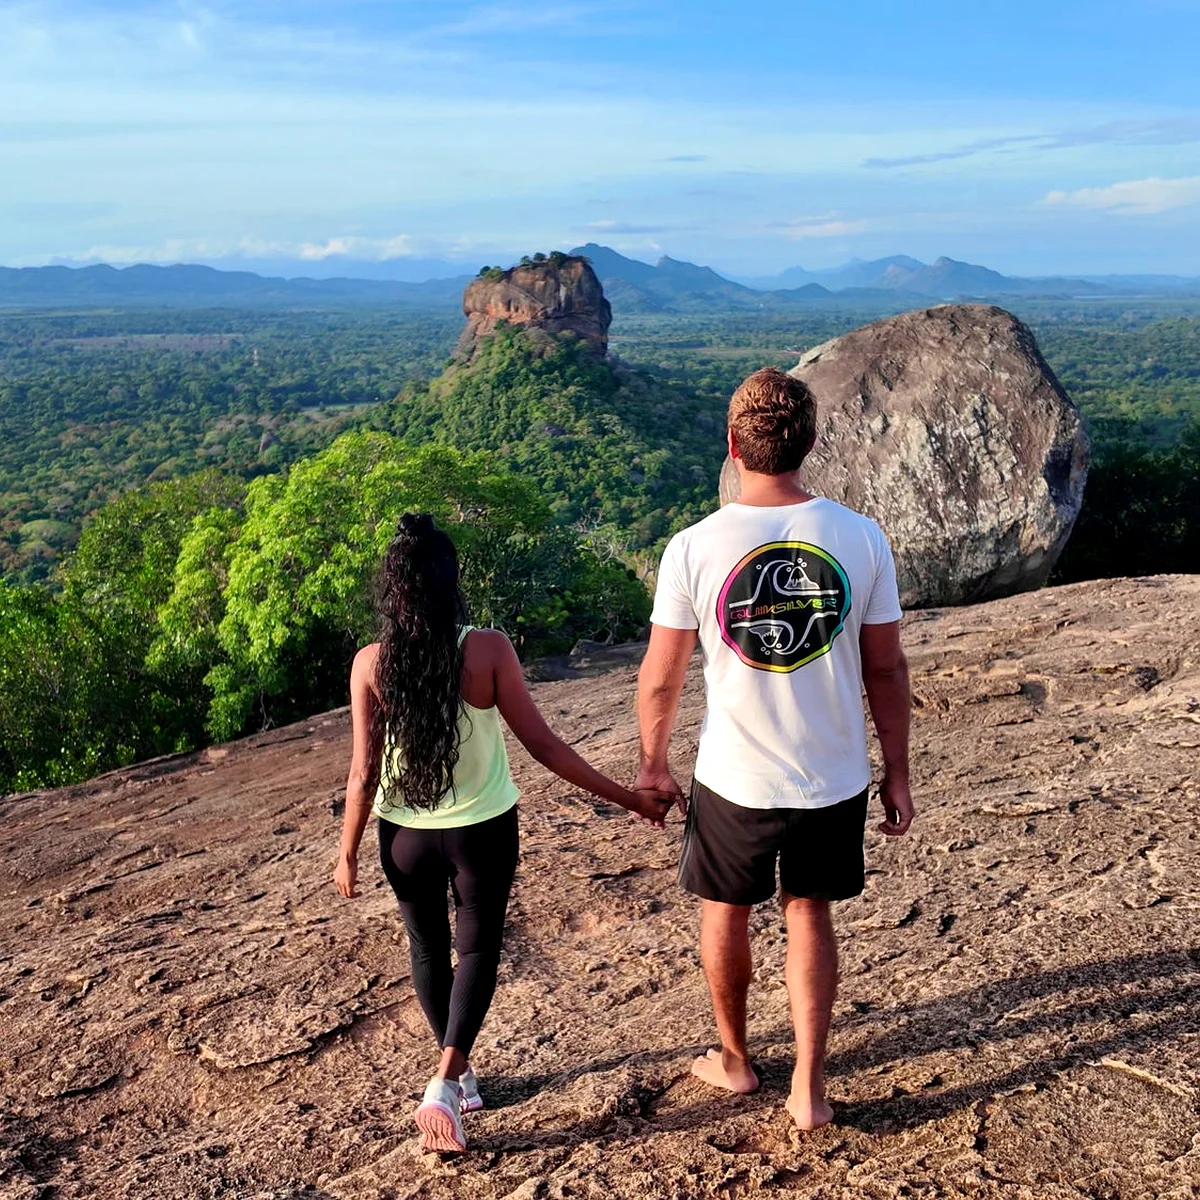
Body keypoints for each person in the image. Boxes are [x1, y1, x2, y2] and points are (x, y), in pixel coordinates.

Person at [334, 513, 674, 1153]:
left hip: (402, 835)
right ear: (449, 581)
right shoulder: (486, 649)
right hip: (480, 832)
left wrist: (347, 850)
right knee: (478, 951)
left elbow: (362, 769)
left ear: (394, 588)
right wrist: (629, 797)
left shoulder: (370, 663)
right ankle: (444, 1080)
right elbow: (544, 746)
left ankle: (458, 1078)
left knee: (429, 951)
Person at [635, 367, 914, 1131]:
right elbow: (886, 666)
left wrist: (653, 765)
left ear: (732, 445)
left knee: (724, 911)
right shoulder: (859, 535)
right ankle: (810, 1090)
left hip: (735, 774)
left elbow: (662, 676)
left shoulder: (693, 545)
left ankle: (735, 1059)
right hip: (831, 772)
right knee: (809, 914)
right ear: (811, 444)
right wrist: (899, 770)